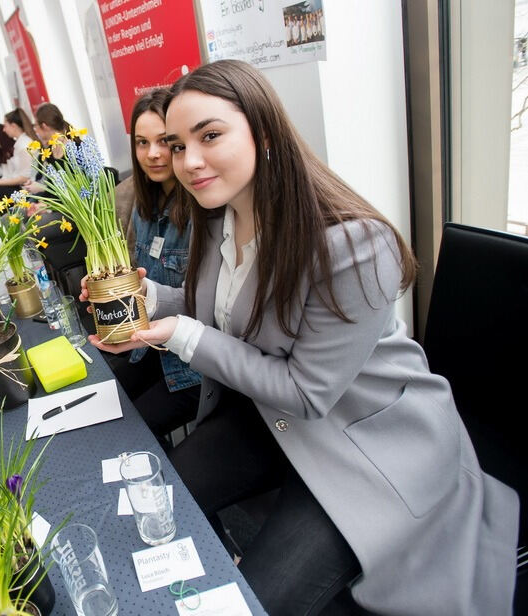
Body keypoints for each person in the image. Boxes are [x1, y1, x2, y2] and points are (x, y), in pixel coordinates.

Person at [82, 60, 518, 614]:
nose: (187, 161)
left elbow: (309, 394)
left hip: (360, 444)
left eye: (209, 136)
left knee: (258, 600)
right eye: (176, 143)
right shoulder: (220, 219)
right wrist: (143, 305)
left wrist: (179, 335)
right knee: (154, 504)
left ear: (262, 132)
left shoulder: (354, 245)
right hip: (268, 417)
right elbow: (215, 309)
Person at [122, 89, 203, 446]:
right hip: (148, 348)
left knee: (133, 430)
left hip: (190, 368)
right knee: (110, 402)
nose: (152, 154)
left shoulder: (203, 209)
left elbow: (208, 304)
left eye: (164, 142)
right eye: (142, 143)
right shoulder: (144, 206)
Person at [0, 108, 39, 202]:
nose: (4, 129)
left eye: (5, 126)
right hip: (22, 187)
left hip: (27, 191)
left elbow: (24, 178)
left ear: (13, 126)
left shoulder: (23, 145)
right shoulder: (20, 143)